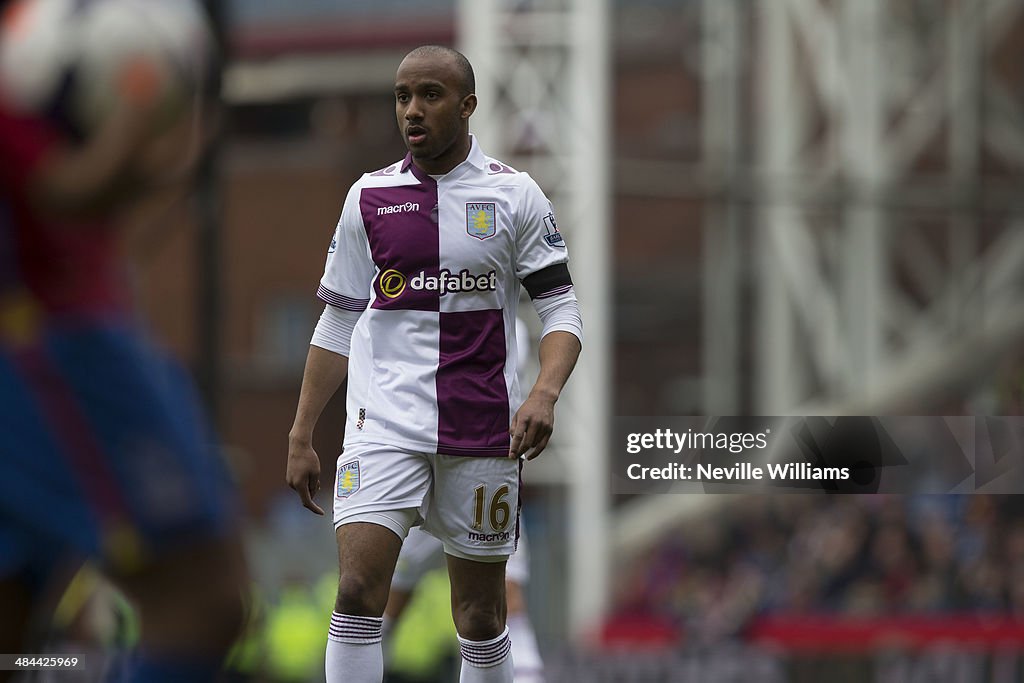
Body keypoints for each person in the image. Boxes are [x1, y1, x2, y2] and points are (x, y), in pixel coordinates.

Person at [286, 44, 582, 683]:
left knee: (480, 616)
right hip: (383, 425)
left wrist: (544, 395)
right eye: (402, 96)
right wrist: (303, 430)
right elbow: (337, 319)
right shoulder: (369, 198)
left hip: (481, 432)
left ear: (468, 106)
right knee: (358, 592)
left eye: (430, 95)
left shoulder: (514, 194)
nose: (412, 110)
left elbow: (563, 313)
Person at [0, 5, 247, 680]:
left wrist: (162, 149)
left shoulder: (44, 43)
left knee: (13, 632)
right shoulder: (27, 49)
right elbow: (63, 188)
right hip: (47, 348)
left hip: (56, 334)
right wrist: (141, 107)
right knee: (200, 592)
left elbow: (84, 194)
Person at [386, 526, 546, 682]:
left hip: (483, 503)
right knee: (390, 596)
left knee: (504, 594)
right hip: (423, 503)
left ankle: (525, 676)